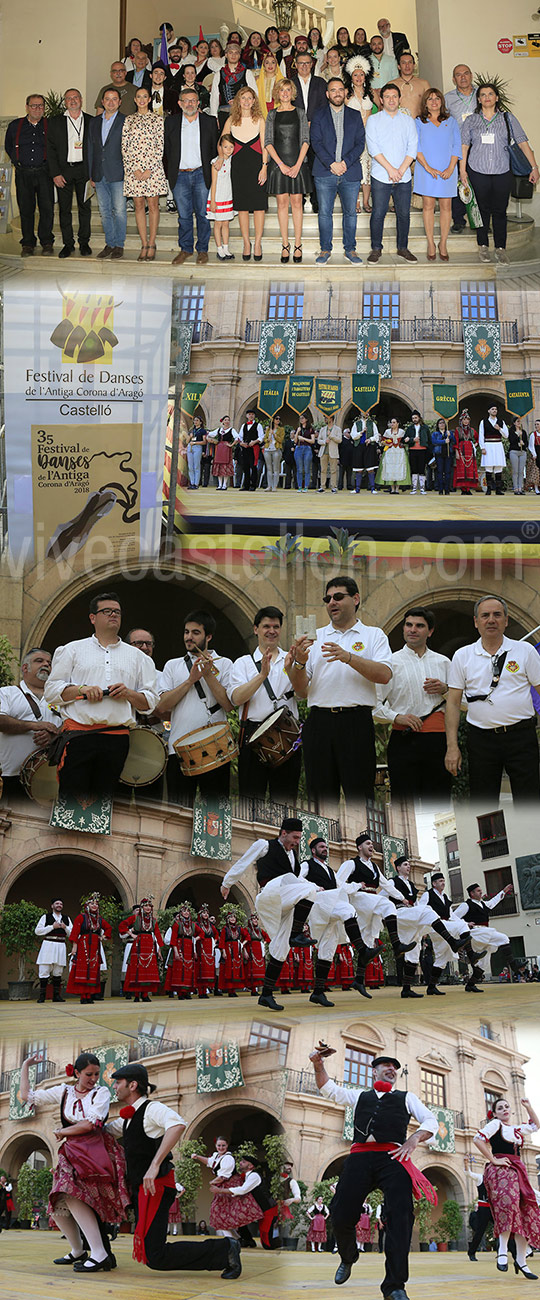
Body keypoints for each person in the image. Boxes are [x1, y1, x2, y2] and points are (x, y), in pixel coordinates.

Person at [310, 1048, 438, 1292]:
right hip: (359, 1157)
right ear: (375, 1071)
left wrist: (414, 1139)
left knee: (401, 1218)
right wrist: (318, 1064)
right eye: (386, 1065)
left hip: (393, 1156)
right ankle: (348, 1257)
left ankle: (395, 1286)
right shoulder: (360, 1096)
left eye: (395, 1067)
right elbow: (328, 1089)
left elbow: (430, 1121)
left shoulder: (407, 1097)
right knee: (340, 1213)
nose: (391, 1069)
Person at [109, 1063, 241, 1276]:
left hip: (157, 1185)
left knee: (156, 1255)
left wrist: (154, 1166)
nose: (114, 1086)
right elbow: (105, 1131)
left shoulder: (151, 1109)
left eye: (118, 1082)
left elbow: (178, 1125)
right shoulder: (127, 1119)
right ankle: (225, 1250)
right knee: (154, 1254)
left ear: (132, 1085)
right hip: (146, 1189)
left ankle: (226, 1249)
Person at [44, 591, 158, 804]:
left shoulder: (138, 658)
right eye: (107, 611)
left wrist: (128, 693)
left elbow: (150, 703)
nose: (113, 615)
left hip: (117, 739)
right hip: (79, 736)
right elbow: (51, 691)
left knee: (105, 803)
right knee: (71, 801)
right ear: (92, 618)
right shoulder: (72, 650)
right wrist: (82, 690)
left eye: (117, 612)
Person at [20, 1050, 129, 1272]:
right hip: (72, 1153)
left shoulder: (101, 1094)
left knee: (77, 1198)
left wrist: (63, 1131)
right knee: (58, 1199)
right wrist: (25, 1066)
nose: (93, 1078)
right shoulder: (64, 1091)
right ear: (77, 1073)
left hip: (95, 1152)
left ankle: (99, 1253)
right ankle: (80, 1250)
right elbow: (26, 1096)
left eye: (97, 1074)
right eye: (89, 1074)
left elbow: (91, 1124)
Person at [288, 575, 392, 806]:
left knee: (360, 795)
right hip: (319, 722)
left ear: (355, 599)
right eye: (327, 598)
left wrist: (349, 657)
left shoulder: (373, 635)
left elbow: (384, 674)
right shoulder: (315, 637)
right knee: (320, 797)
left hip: (356, 721)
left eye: (338, 597)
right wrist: (298, 663)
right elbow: (301, 691)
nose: (331, 603)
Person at [221, 816, 320, 1012]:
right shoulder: (264, 845)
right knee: (309, 891)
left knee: (281, 948)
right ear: (283, 833)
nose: (297, 842)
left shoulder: (293, 857)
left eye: (299, 838)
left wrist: (317, 888)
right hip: (270, 893)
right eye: (294, 837)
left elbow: (298, 881)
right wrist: (227, 882)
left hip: (285, 900)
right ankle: (296, 933)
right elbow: (244, 860)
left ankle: (266, 994)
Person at [158, 609, 234, 805]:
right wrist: (190, 680)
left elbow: (228, 704)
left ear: (208, 636)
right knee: (179, 811)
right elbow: (163, 706)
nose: (189, 637)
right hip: (179, 749)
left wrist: (208, 675)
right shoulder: (172, 665)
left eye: (195, 632)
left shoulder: (225, 664)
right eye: (186, 632)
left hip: (215, 747)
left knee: (216, 811)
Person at [374, 605, 451, 798]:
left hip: (438, 740)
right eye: (408, 625)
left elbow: (465, 703)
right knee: (404, 804)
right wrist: (397, 717)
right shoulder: (390, 663)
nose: (413, 629)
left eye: (419, 625)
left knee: (439, 800)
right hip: (403, 740)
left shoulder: (444, 663)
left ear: (430, 631)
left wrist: (446, 690)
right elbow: (373, 705)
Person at [460, 83, 539, 264]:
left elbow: (523, 143)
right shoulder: (471, 120)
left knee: (500, 211)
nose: (487, 97)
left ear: (496, 97)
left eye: (490, 94)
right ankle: (483, 246)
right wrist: (462, 171)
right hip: (477, 170)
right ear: (478, 99)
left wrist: (534, 167)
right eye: (483, 95)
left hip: (502, 171)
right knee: (481, 211)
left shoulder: (508, 118)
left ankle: (501, 248)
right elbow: (463, 146)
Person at [230, 605, 301, 802]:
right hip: (252, 735)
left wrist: (294, 668)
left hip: (288, 733)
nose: (272, 631)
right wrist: (262, 675)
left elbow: (303, 694)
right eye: (266, 626)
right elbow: (237, 698)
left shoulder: (291, 659)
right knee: (250, 801)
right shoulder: (243, 663)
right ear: (256, 629)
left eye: (276, 627)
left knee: (286, 801)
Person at [300, 834, 378, 1005]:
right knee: (348, 910)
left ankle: (318, 992)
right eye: (321, 847)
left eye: (326, 847)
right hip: (320, 904)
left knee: (327, 950)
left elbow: (341, 886)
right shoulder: (307, 864)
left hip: (331, 906)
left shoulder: (329, 870)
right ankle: (362, 950)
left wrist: (358, 886)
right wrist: (313, 887)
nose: (325, 849)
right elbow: (298, 879)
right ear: (313, 850)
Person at [474, 1095, 540, 1277]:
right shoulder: (495, 1125)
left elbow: (536, 1125)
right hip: (502, 1169)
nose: (504, 1110)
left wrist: (528, 1106)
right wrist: (493, 1159)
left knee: (524, 1213)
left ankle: (522, 1261)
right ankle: (502, 1250)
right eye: (500, 1108)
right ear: (494, 1113)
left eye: (507, 1107)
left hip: (519, 1170)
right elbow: (477, 1139)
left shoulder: (516, 1129)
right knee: (508, 1204)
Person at [310, 78, 365, 265]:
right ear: (327, 94)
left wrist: (344, 163)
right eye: (333, 90)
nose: (337, 93)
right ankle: (325, 249)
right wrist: (332, 164)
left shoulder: (355, 115)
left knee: (350, 213)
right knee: (325, 213)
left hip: (350, 172)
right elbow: (315, 142)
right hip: (325, 173)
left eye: (340, 89)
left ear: (345, 92)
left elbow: (360, 143)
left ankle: (350, 249)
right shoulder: (318, 115)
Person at [164, 86, 218, 268]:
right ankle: (186, 249)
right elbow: (167, 150)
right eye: (186, 101)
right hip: (179, 176)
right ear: (179, 104)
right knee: (184, 216)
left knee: (203, 214)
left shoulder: (209, 122)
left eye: (193, 100)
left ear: (198, 103)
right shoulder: (171, 122)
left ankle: (202, 250)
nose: (189, 104)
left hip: (201, 174)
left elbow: (214, 149)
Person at [366, 82, 417, 262]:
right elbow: (373, 148)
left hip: (403, 176)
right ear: (381, 100)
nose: (391, 100)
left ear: (399, 99)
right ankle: (376, 248)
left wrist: (401, 170)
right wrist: (390, 169)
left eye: (394, 96)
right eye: (387, 96)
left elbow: (413, 147)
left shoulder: (408, 121)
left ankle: (403, 247)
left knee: (404, 214)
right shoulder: (373, 120)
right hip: (381, 175)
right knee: (378, 213)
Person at [0, 647, 58, 803]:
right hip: (10, 778)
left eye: (49, 663)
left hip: (50, 783)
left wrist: (55, 735)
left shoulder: (60, 700)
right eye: (39, 661)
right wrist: (34, 725)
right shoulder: (7, 693)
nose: (46, 664)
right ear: (25, 668)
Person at [265, 79, 310, 264]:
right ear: (277, 92)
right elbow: (268, 142)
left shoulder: (300, 113)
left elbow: (306, 140)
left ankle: (298, 244)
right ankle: (285, 244)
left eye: (288, 90)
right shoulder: (272, 115)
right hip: (278, 165)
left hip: (297, 163)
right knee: (282, 205)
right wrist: (281, 165)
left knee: (297, 203)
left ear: (293, 93)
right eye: (282, 90)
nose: (285, 93)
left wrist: (298, 165)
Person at [414, 88, 462, 261]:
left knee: (446, 206)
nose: (434, 102)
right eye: (430, 99)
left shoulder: (451, 121)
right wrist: (427, 167)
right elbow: (416, 147)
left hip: (447, 170)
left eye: (437, 98)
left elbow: (457, 146)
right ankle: (430, 243)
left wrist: (451, 168)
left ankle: (443, 242)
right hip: (426, 169)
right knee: (428, 206)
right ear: (425, 103)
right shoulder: (419, 121)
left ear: (442, 101)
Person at [5, 94, 55, 256]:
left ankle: (46, 241)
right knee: (26, 209)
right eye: (34, 106)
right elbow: (8, 146)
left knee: (47, 208)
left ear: (44, 108)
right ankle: (28, 243)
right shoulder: (15, 125)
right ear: (27, 107)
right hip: (23, 174)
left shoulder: (50, 125)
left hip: (44, 172)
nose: (37, 109)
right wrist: (17, 161)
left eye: (40, 106)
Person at [422, 872, 488, 994]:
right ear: (434, 883)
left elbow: (451, 915)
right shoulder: (427, 894)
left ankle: (431, 987)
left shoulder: (445, 897)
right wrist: (422, 929)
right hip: (435, 926)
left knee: (442, 958)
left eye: (443, 880)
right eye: (440, 881)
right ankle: (471, 954)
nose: (443, 882)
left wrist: (465, 923)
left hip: (446, 928)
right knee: (461, 926)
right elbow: (420, 909)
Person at [121, 85, 167, 261]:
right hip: (134, 171)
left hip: (152, 170)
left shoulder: (157, 119)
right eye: (138, 97)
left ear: (149, 99)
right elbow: (124, 147)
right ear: (135, 99)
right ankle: (143, 243)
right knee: (138, 205)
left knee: (153, 206)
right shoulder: (128, 120)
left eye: (145, 97)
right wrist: (135, 169)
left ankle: (152, 243)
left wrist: (149, 169)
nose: (141, 100)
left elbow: (160, 146)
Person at [223, 86, 268, 262]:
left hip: (257, 167)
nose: (247, 101)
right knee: (242, 208)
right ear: (238, 101)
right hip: (238, 168)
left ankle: (257, 243)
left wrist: (264, 167)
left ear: (254, 101)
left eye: (250, 98)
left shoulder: (260, 120)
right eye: (243, 98)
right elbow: (223, 145)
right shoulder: (231, 121)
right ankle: (246, 243)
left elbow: (265, 146)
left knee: (258, 207)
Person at [47, 89, 92, 258]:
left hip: (84, 170)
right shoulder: (55, 122)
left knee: (85, 208)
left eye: (75, 97)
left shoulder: (90, 120)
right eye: (69, 98)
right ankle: (68, 244)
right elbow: (50, 151)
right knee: (64, 209)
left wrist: (93, 173)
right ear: (65, 102)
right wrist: (55, 173)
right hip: (63, 171)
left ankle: (84, 243)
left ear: (81, 99)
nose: (72, 101)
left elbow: (96, 150)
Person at [88, 88, 126, 260]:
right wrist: (90, 173)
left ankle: (119, 245)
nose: (111, 102)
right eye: (107, 99)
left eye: (114, 99)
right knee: (104, 211)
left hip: (118, 173)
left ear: (119, 102)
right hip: (99, 173)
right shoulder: (94, 122)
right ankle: (109, 243)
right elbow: (90, 149)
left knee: (119, 211)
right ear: (102, 102)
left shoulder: (126, 121)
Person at [453, 883, 512, 980]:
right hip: (477, 933)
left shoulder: (483, 904)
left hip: (485, 933)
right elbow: (454, 917)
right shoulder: (466, 905)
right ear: (472, 894)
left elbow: (493, 902)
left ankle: (471, 984)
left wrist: (504, 891)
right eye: (478, 891)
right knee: (504, 938)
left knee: (483, 963)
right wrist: (465, 923)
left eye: (481, 890)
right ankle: (513, 965)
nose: (481, 892)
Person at [445, 64, 477, 232]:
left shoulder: (482, 94)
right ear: (454, 79)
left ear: (471, 75)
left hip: (480, 147)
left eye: (466, 73)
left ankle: (480, 220)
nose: (463, 77)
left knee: (480, 184)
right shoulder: (448, 98)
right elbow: (444, 122)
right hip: (457, 147)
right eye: (458, 75)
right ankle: (458, 219)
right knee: (458, 182)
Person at [66, 895, 112, 1004]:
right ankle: (83, 995)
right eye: (92, 904)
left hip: (95, 945)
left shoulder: (99, 919)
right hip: (83, 944)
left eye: (96, 904)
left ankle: (89, 995)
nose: (94, 906)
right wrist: (74, 947)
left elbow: (108, 928)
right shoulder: (81, 917)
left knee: (92, 969)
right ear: (87, 905)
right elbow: (75, 933)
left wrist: (103, 937)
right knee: (83, 969)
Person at [344, 57, 376, 213]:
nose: (358, 78)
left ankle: (366, 201)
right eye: (355, 75)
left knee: (368, 167)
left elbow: (382, 109)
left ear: (365, 76)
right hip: (352, 136)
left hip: (368, 135)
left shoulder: (370, 92)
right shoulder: (346, 94)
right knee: (355, 167)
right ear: (351, 76)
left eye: (361, 75)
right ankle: (355, 201)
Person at [210, 42, 258, 132]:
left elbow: (255, 94)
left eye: (236, 53)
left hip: (243, 114)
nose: (233, 55)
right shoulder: (218, 74)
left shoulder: (247, 73)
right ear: (226, 55)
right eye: (230, 52)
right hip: (224, 114)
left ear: (239, 56)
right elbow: (214, 97)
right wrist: (214, 117)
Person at [192, 1137, 236, 1233]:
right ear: (216, 1146)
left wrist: (212, 1182)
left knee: (222, 1212)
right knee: (220, 1212)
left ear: (227, 1146)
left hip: (228, 1188)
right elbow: (209, 1161)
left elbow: (223, 1176)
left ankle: (231, 1238)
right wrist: (197, 1157)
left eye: (223, 1145)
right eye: (219, 1145)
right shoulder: (217, 1156)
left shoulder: (228, 1158)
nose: (221, 1147)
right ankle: (234, 1238)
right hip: (221, 1187)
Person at [35, 898, 72, 1003]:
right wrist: (52, 927)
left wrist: (65, 928)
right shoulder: (45, 917)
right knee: (44, 969)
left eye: (61, 903)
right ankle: (42, 996)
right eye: (57, 903)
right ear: (52, 906)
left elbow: (72, 934)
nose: (59, 905)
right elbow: (37, 931)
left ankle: (56, 996)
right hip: (48, 944)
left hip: (61, 945)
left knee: (58, 971)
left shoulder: (66, 918)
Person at [207, 132, 236, 261]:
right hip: (217, 197)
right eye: (225, 147)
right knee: (218, 223)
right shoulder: (215, 162)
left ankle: (226, 247)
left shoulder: (232, 161)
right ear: (220, 147)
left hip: (227, 195)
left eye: (231, 146)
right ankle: (219, 249)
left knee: (226, 223)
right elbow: (214, 183)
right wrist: (213, 201)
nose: (228, 150)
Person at [163, 904, 196, 999]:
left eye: (188, 911)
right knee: (180, 971)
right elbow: (172, 940)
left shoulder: (192, 925)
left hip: (189, 949)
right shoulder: (176, 925)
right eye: (184, 911)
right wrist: (176, 952)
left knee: (188, 970)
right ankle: (180, 993)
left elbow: (201, 933)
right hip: (179, 949)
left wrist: (196, 940)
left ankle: (187, 991)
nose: (186, 913)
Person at [477, 404, 509, 496]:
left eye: (495, 409)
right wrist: (482, 447)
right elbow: (481, 435)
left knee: (499, 467)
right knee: (489, 467)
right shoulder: (484, 422)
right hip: (488, 445)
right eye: (492, 409)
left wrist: (500, 429)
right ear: (489, 411)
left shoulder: (501, 422)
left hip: (498, 445)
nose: (494, 410)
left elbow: (506, 435)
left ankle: (498, 489)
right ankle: (489, 489)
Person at [376, 418, 410, 492]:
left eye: (394, 422)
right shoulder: (387, 432)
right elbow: (382, 441)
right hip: (390, 451)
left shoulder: (402, 432)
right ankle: (392, 488)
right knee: (390, 468)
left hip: (399, 452)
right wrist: (387, 443)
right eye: (391, 422)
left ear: (398, 423)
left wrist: (403, 443)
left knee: (398, 468)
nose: (392, 424)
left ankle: (397, 489)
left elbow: (405, 441)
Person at [395, 52, 429, 121]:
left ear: (414, 65)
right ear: (399, 66)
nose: (407, 66)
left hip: (419, 123)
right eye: (404, 63)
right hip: (398, 124)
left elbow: (430, 106)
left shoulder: (424, 84)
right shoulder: (392, 85)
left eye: (410, 62)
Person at [194, 905, 220, 997]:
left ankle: (205, 991)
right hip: (201, 947)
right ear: (200, 914)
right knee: (201, 969)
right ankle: (200, 991)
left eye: (207, 913)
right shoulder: (197, 924)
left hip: (209, 948)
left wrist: (214, 942)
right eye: (204, 913)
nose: (206, 915)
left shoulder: (210, 925)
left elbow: (216, 934)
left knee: (208, 970)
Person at [350, 415, 379, 493]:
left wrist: (370, 439)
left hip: (369, 447)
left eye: (367, 412)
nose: (365, 413)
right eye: (363, 412)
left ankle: (372, 488)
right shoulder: (356, 424)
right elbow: (353, 436)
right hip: (359, 447)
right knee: (358, 468)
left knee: (370, 468)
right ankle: (357, 488)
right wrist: (361, 432)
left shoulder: (372, 423)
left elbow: (377, 435)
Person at [403, 411, 430, 493]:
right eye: (413, 418)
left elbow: (429, 440)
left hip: (423, 450)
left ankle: (422, 488)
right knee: (414, 469)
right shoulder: (410, 428)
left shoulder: (425, 427)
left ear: (419, 417)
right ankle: (414, 488)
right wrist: (412, 440)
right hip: (413, 450)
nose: (414, 419)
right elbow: (405, 439)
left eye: (415, 418)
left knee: (422, 469)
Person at [453, 409, 479, 494]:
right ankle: (463, 489)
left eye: (467, 419)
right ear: (461, 420)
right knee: (462, 469)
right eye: (464, 419)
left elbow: (478, 439)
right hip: (461, 451)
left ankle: (468, 489)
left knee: (469, 470)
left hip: (470, 452)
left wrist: (476, 444)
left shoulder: (472, 430)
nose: (466, 421)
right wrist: (457, 452)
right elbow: (456, 441)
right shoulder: (457, 430)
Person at [207, 415, 236, 486]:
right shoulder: (219, 430)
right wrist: (209, 438)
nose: (227, 421)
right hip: (219, 448)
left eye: (228, 420)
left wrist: (231, 445)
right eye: (225, 420)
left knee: (226, 465)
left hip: (226, 448)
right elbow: (210, 434)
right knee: (219, 465)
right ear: (222, 421)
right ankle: (220, 484)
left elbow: (237, 438)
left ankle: (224, 484)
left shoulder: (232, 430)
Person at [369, 36, 398, 107]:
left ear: (383, 44)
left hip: (388, 96)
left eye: (379, 44)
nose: (377, 46)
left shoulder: (391, 60)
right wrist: (373, 91)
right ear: (370, 46)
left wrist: (384, 89)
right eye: (374, 44)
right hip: (371, 96)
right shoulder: (366, 60)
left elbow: (396, 78)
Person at [431, 417, 456, 494]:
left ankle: (447, 489)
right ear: (438, 425)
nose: (442, 424)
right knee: (440, 472)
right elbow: (434, 441)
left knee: (448, 472)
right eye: (440, 423)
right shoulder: (435, 434)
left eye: (443, 423)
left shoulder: (449, 433)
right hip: (439, 454)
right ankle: (440, 489)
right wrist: (444, 441)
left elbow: (454, 442)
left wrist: (450, 436)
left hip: (448, 454)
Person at [255, 52, 284, 118]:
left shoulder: (283, 80)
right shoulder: (257, 81)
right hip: (261, 112)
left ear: (276, 65)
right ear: (264, 65)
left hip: (279, 112)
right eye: (267, 63)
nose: (270, 65)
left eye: (273, 62)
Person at [293, 413, 317, 489]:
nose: (301, 420)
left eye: (303, 418)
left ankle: (306, 486)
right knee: (299, 469)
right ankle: (300, 486)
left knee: (307, 468)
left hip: (307, 448)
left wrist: (304, 439)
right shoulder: (298, 429)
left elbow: (313, 441)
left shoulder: (310, 429)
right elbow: (295, 441)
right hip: (298, 448)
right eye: (300, 418)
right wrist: (297, 432)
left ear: (306, 419)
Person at [317, 418, 342, 492]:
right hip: (323, 452)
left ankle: (333, 487)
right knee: (323, 470)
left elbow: (339, 440)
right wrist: (324, 441)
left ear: (331, 419)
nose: (325, 419)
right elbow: (319, 440)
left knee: (333, 470)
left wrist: (331, 436)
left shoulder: (337, 429)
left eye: (326, 417)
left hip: (333, 452)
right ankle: (322, 486)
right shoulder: (322, 429)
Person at [185, 414, 207, 488]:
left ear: (200, 422)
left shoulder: (203, 431)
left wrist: (195, 442)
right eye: (194, 420)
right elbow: (187, 441)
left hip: (197, 446)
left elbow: (204, 442)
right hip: (190, 446)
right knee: (190, 466)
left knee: (196, 465)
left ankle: (196, 483)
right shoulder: (192, 430)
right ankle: (191, 482)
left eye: (197, 420)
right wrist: (190, 437)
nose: (195, 422)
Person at [508, 417, 528, 495]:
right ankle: (515, 488)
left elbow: (526, 443)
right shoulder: (511, 431)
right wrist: (517, 436)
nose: (519, 422)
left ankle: (520, 487)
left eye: (520, 421)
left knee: (521, 471)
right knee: (515, 471)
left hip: (522, 452)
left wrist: (523, 444)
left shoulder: (523, 432)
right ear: (514, 423)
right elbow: (511, 441)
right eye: (517, 421)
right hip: (514, 451)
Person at [526, 419, 540, 494]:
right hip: (537, 454)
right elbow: (531, 446)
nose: (536, 426)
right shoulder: (533, 434)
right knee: (535, 472)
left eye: (538, 424)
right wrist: (534, 454)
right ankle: (536, 488)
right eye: (535, 424)